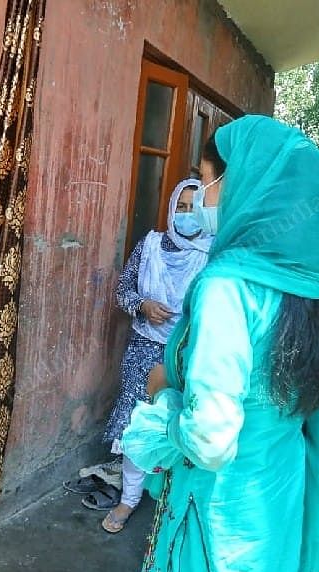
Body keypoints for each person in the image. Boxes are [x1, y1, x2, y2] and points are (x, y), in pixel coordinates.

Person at [122, 116, 319, 572]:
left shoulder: (228, 287)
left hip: (221, 508)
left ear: (242, 183)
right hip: (281, 496)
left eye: (205, 182)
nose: (201, 199)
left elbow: (210, 440)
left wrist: (163, 392)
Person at [82, 179, 212, 533]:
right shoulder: (152, 245)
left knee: (180, 427)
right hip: (144, 347)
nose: (186, 215)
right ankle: (129, 500)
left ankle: (171, 502)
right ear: (171, 208)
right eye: (180, 207)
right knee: (137, 426)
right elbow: (122, 290)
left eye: (194, 206)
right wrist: (142, 305)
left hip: (188, 354)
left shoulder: (213, 255)